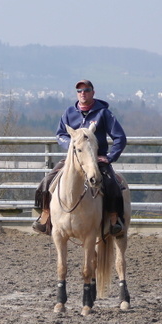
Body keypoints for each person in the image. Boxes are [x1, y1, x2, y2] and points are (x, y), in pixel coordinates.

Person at [33, 79, 127, 236]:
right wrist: (72, 145)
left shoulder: (103, 113)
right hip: (73, 159)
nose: (83, 93)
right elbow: (60, 134)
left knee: (112, 183)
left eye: (86, 90)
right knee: (47, 181)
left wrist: (110, 157)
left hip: (96, 160)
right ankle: (46, 215)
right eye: (79, 91)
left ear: (93, 92)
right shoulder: (69, 112)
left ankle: (114, 218)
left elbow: (120, 137)